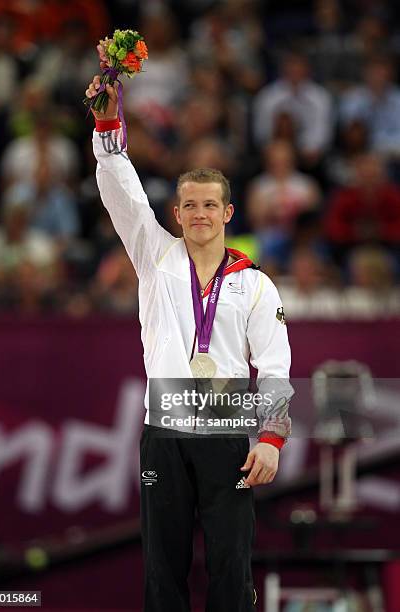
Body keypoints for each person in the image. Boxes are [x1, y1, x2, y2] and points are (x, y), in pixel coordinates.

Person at [85, 74, 293, 612]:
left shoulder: (253, 283)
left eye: (210, 205)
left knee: (230, 564)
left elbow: (273, 365)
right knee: (163, 566)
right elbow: (122, 190)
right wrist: (108, 125)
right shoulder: (154, 257)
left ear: (228, 214)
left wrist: (270, 439)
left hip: (225, 433)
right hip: (164, 434)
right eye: (190, 205)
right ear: (176, 214)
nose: (199, 214)